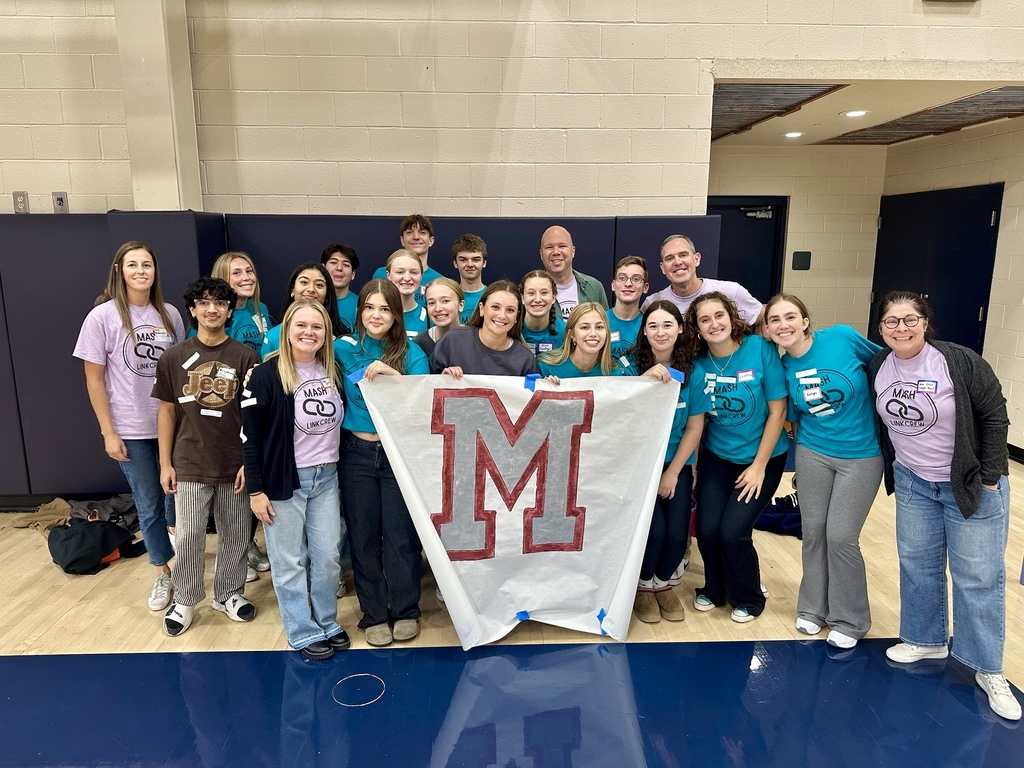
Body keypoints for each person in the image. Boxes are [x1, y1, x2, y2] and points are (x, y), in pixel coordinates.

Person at [867, 291, 1020, 721]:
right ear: (881, 329)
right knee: (917, 563)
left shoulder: (958, 360)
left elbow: (995, 416)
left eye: (910, 319)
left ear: (925, 322)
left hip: (969, 484)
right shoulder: (880, 365)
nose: (902, 328)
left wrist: (990, 476)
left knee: (978, 577)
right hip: (916, 481)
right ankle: (925, 637)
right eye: (892, 322)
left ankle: (988, 669)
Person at [764, 294, 882, 649]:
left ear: (804, 320)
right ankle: (813, 609)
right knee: (813, 531)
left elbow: (887, 366)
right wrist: (801, 466)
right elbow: (796, 421)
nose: (783, 325)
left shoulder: (842, 338)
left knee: (841, 536)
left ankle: (851, 619)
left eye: (790, 317)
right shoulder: (783, 369)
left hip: (862, 455)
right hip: (814, 454)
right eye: (775, 320)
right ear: (768, 330)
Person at [73, 240, 186, 611]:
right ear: (119, 270)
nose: (141, 271)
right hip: (130, 427)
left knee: (176, 497)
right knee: (149, 502)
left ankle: (179, 552)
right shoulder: (102, 317)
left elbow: (183, 368)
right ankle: (161, 572)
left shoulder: (169, 313)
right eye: (133, 264)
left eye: (147, 265)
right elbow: (93, 380)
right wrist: (108, 431)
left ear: (156, 271)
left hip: (172, 423)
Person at [241, 300, 351, 661]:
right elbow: (250, 438)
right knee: (289, 561)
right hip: (284, 480)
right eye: (301, 325)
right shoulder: (266, 374)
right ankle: (301, 630)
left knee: (327, 557)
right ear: (286, 329)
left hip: (327, 477)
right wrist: (256, 490)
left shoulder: (332, 368)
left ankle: (326, 621)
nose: (309, 333)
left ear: (327, 333)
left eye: (317, 327)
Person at [154, 277, 259, 637]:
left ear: (230, 310)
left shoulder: (245, 357)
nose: (212, 308)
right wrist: (165, 462)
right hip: (189, 461)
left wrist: (250, 460)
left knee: (235, 533)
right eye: (204, 302)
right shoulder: (173, 358)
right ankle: (184, 598)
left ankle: (228, 593)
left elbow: (253, 414)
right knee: (188, 536)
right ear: (193, 309)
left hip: (234, 463)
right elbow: (166, 413)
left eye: (220, 303)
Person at [336, 280, 430, 647]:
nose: (377, 315)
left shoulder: (411, 352)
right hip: (355, 454)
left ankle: (406, 610)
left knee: (400, 537)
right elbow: (301, 359)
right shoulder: (342, 349)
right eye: (370, 307)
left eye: (385, 309)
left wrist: (395, 377)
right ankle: (374, 614)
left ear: (396, 315)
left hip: (397, 455)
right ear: (360, 312)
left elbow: (423, 402)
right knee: (362, 537)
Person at [685, 292, 789, 623]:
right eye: (705, 319)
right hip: (718, 457)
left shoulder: (760, 350)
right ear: (697, 329)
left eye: (719, 316)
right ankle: (715, 589)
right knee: (707, 528)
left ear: (732, 318)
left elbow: (778, 411)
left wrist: (758, 466)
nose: (714, 324)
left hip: (763, 458)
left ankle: (748, 596)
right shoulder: (698, 362)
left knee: (733, 531)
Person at [629, 301, 708, 624]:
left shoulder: (695, 372)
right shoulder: (629, 367)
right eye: (653, 326)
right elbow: (621, 415)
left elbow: (695, 426)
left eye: (667, 325)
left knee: (677, 533)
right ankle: (642, 588)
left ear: (679, 328)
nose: (660, 332)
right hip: (638, 465)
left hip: (675, 464)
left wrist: (674, 472)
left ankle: (662, 584)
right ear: (644, 332)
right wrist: (642, 384)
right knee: (654, 531)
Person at [642, 234, 763, 327]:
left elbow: (763, 318)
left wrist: (760, 355)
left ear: (696, 259)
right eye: (669, 258)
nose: (678, 262)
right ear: (663, 268)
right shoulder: (653, 303)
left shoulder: (730, 291)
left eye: (683, 255)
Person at [431, 281, 539, 378]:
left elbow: (532, 395)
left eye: (510, 310)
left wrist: (550, 384)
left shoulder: (525, 359)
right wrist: (443, 378)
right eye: (495, 307)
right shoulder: (453, 340)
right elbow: (426, 385)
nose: (502, 315)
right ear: (482, 308)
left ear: (517, 316)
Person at [262, 262, 348, 358]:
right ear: (292, 289)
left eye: (319, 285)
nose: (311, 289)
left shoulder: (343, 339)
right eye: (304, 282)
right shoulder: (273, 337)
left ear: (327, 295)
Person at [538, 303, 625, 379]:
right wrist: (544, 386)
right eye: (585, 327)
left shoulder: (614, 374)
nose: (593, 334)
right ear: (572, 334)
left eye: (599, 327)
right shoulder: (546, 368)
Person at [539, 225, 609, 318]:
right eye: (549, 247)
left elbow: (606, 327)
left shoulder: (594, 287)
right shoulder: (531, 291)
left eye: (562, 246)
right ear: (541, 254)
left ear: (573, 251)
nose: (556, 252)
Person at [210, 251, 271, 356]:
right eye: (237, 273)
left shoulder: (261, 308)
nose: (246, 277)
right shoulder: (211, 314)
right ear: (222, 278)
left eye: (249, 271)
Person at [371, 214, 445, 287]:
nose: (416, 237)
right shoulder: (381, 275)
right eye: (409, 232)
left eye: (422, 232)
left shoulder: (440, 281)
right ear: (402, 240)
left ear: (431, 241)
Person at [608, 255, 649, 362]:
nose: (628, 284)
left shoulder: (649, 326)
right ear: (613, 285)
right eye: (622, 278)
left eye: (636, 279)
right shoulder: (599, 321)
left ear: (645, 287)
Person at [412, 278, 464, 358]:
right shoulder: (419, 343)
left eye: (445, 301)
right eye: (431, 303)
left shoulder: (477, 339)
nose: (438, 309)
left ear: (461, 305)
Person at [519, 270, 566, 357]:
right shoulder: (510, 329)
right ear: (522, 298)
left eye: (544, 293)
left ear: (553, 297)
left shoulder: (565, 332)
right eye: (531, 293)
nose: (537, 299)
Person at [385, 249, 428, 338]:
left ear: (421, 276)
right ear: (388, 275)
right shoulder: (372, 313)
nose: (407, 278)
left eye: (414, 272)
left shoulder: (429, 317)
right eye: (400, 272)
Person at [320, 243, 360, 331]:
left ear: (353, 274)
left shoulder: (361, 305)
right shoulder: (313, 300)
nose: (339, 268)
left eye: (346, 265)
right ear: (323, 268)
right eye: (334, 263)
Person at [451, 233, 487, 324]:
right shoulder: (448, 298)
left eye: (476, 259)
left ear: (484, 263)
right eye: (463, 260)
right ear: (455, 263)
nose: (470, 264)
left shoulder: (492, 296)